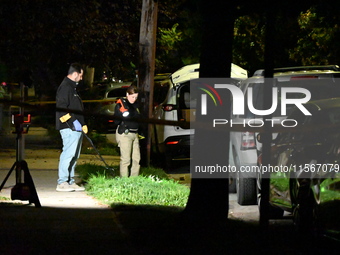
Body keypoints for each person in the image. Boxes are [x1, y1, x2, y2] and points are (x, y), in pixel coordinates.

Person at [55, 63, 87, 191]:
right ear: (75, 74)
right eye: (81, 75)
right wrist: (74, 122)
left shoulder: (72, 88)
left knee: (74, 155)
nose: (81, 78)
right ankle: (62, 182)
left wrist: (82, 124)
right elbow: (62, 108)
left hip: (76, 128)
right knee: (68, 154)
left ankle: (70, 180)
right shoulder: (65, 88)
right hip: (69, 128)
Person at [115, 85, 141, 177]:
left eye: (136, 97)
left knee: (136, 159)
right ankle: (124, 181)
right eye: (132, 96)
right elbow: (116, 121)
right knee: (126, 160)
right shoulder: (121, 104)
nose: (134, 99)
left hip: (135, 133)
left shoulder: (136, 106)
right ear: (127, 94)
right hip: (125, 133)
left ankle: (134, 180)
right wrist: (121, 113)